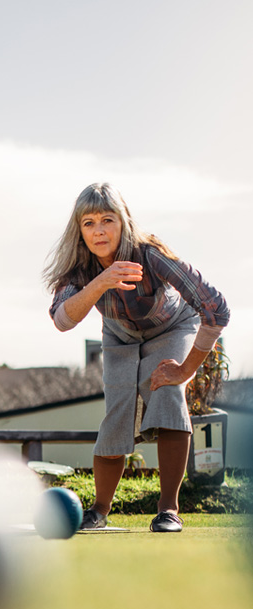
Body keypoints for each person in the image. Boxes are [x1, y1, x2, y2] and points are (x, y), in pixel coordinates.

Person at [45, 182, 230, 532]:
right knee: (117, 414)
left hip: (171, 328)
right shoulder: (79, 267)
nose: (99, 230)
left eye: (107, 220)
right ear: (79, 229)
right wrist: (101, 282)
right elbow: (62, 320)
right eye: (89, 223)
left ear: (123, 221)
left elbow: (215, 310)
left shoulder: (150, 253)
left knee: (165, 393)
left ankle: (168, 510)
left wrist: (186, 369)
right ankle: (99, 511)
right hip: (120, 336)